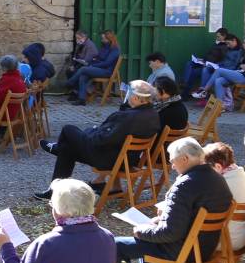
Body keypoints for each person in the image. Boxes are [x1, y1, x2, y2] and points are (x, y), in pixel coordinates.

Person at [114, 136, 233, 263]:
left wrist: (141, 230)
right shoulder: (217, 178)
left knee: (117, 244)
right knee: (151, 233)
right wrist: (154, 225)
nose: (172, 166)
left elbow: (170, 233)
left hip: (183, 250)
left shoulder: (185, 184)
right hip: (204, 248)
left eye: (173, 161)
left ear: (184, 158)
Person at [33, 80, 161, 199]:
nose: (127, 97)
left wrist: (90, 132)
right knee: (67, 149)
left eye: (130, 94)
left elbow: (101, 140)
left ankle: (56, 150)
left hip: (107, 158)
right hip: (127, 159)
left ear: (136, 97)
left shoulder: (127, 117)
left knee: (68, 129)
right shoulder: (153, 115)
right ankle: (55, 190)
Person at [202, 141, 245, 252]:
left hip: (223, 240)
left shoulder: (221, 184)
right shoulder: (242, 176)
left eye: (205, 168)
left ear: (217, 167)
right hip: (241, 239)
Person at [203, 35, 245, 108]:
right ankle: (220, 105)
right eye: (244, 43)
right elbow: (242, 66)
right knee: (218, 81)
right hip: (238, 74)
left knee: (219, 70)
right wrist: (241, 65)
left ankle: (204, 90)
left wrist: (241, 65)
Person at [68, 30, 121, 104]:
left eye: (103, 38)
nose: (102, 40)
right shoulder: (104, 47)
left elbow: (107, 63)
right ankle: (82, 99)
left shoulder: (115, 49)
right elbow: (98, 58)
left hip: (106, 71)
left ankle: (70, 82)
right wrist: (94, 60)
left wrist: (93, 65)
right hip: (100, 68)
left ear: (109, 39)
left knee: (83, 69)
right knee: (83, 75)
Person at [192, 33, 245, 100]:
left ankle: (204, 91)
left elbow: (236, 65)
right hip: (222, 69)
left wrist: (222, 68)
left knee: (218, 78)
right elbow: (224, 61)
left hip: (231, 72)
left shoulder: (239, 51)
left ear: (234, 40)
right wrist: (216, 65)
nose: (227, 46)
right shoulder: (229, 49)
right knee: (206, 69)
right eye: (226, 44)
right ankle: (207, 95)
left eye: (228, 43)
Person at [181, 27, 231, 94]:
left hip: (210, 67)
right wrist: (202, 59)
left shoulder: (225, 47)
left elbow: (221, 61)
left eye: (218, 36)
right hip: (204, 62)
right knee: (189, 63)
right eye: (216, 36)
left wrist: (208, 63)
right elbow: (210, 55)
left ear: (224, 36)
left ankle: (185, 92)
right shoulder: (217, 44)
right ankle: (184, 82)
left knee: (193, 73)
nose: (216, 38)